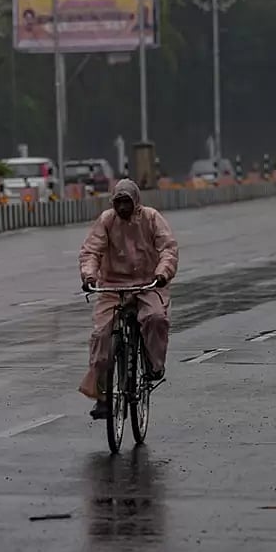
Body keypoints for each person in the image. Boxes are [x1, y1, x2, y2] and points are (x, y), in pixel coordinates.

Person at [78, 179, 179, 419]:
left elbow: (168, 248)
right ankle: (103, 396)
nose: (122, 208)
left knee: (155, 318)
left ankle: (154, 365)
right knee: (102, 337)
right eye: (118, 202)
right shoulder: (106, 220)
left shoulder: (151, 218)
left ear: (136, 202)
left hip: (148, 283)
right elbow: (91, 251)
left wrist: (163, 273)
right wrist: (89, 276)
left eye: (127, 202)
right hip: (112, 286)